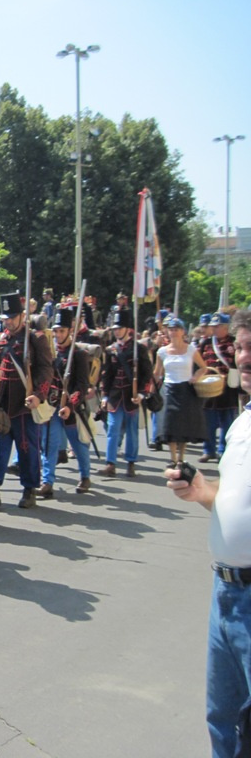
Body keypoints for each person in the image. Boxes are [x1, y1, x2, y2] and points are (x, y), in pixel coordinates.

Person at [165, 308, 251, 758]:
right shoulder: (242, 422)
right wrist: (202, 492)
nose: (245, 357)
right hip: (226, 595)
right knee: (222, 719)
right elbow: (231, 498)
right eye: (240, 347)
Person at [0, 291, 54, 509]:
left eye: (12, 317)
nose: (8, 321)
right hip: (3, 404)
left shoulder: (35, 339)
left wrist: (39, 394)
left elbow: (45, 369)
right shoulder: (0, 340)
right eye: (5, 318)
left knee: (27, 449)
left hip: (24, 402)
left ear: (22, 316)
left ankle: (29, 488)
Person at [38, 305, 94, 497]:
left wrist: (70, 406)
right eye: (55, 331)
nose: (58, 334)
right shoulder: (51, 355)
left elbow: (82, 385)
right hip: (53, 406)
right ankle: (47, 482)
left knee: (79, 445)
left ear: (70, 331)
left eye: (61, 331)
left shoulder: (79, 355)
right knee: (49, 445)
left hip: (72, 408)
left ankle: (85, 476)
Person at [98, 305, 153, 478]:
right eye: (115, 329)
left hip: (132, 395)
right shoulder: (111, 349)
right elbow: (107, 375)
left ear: (127, 329)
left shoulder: (139, 349)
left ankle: (130, 462)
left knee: (132, 430)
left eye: (119, 328)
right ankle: (110, 463)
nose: (116, 331)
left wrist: (142, 394)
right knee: (113, 428)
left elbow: (147, 373)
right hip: (115, 395)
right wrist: (105, 395)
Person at [154, 317, 207, 465]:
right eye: (171, 330)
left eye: (176, 329)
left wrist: (196, 376)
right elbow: (157, 373)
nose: (173, 332)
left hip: (186, 389)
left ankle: (182, 457)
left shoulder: (190, 349)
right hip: (169, 389)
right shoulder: (162, 351)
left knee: (184, 424)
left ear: (182, 331)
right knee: (170, 423)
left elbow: (203, 367)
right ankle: (173, 457)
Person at [199, 312, 240, 462]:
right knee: (208, 421)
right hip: (209, 386)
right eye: (213, 327)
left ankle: (223, 449)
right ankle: (208, 450)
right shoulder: (206, 343)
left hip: (228, 388)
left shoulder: (234, 343)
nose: (214, 329)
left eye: (217, 326)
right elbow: (199, 363)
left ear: (225, 327)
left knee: (227, 421)